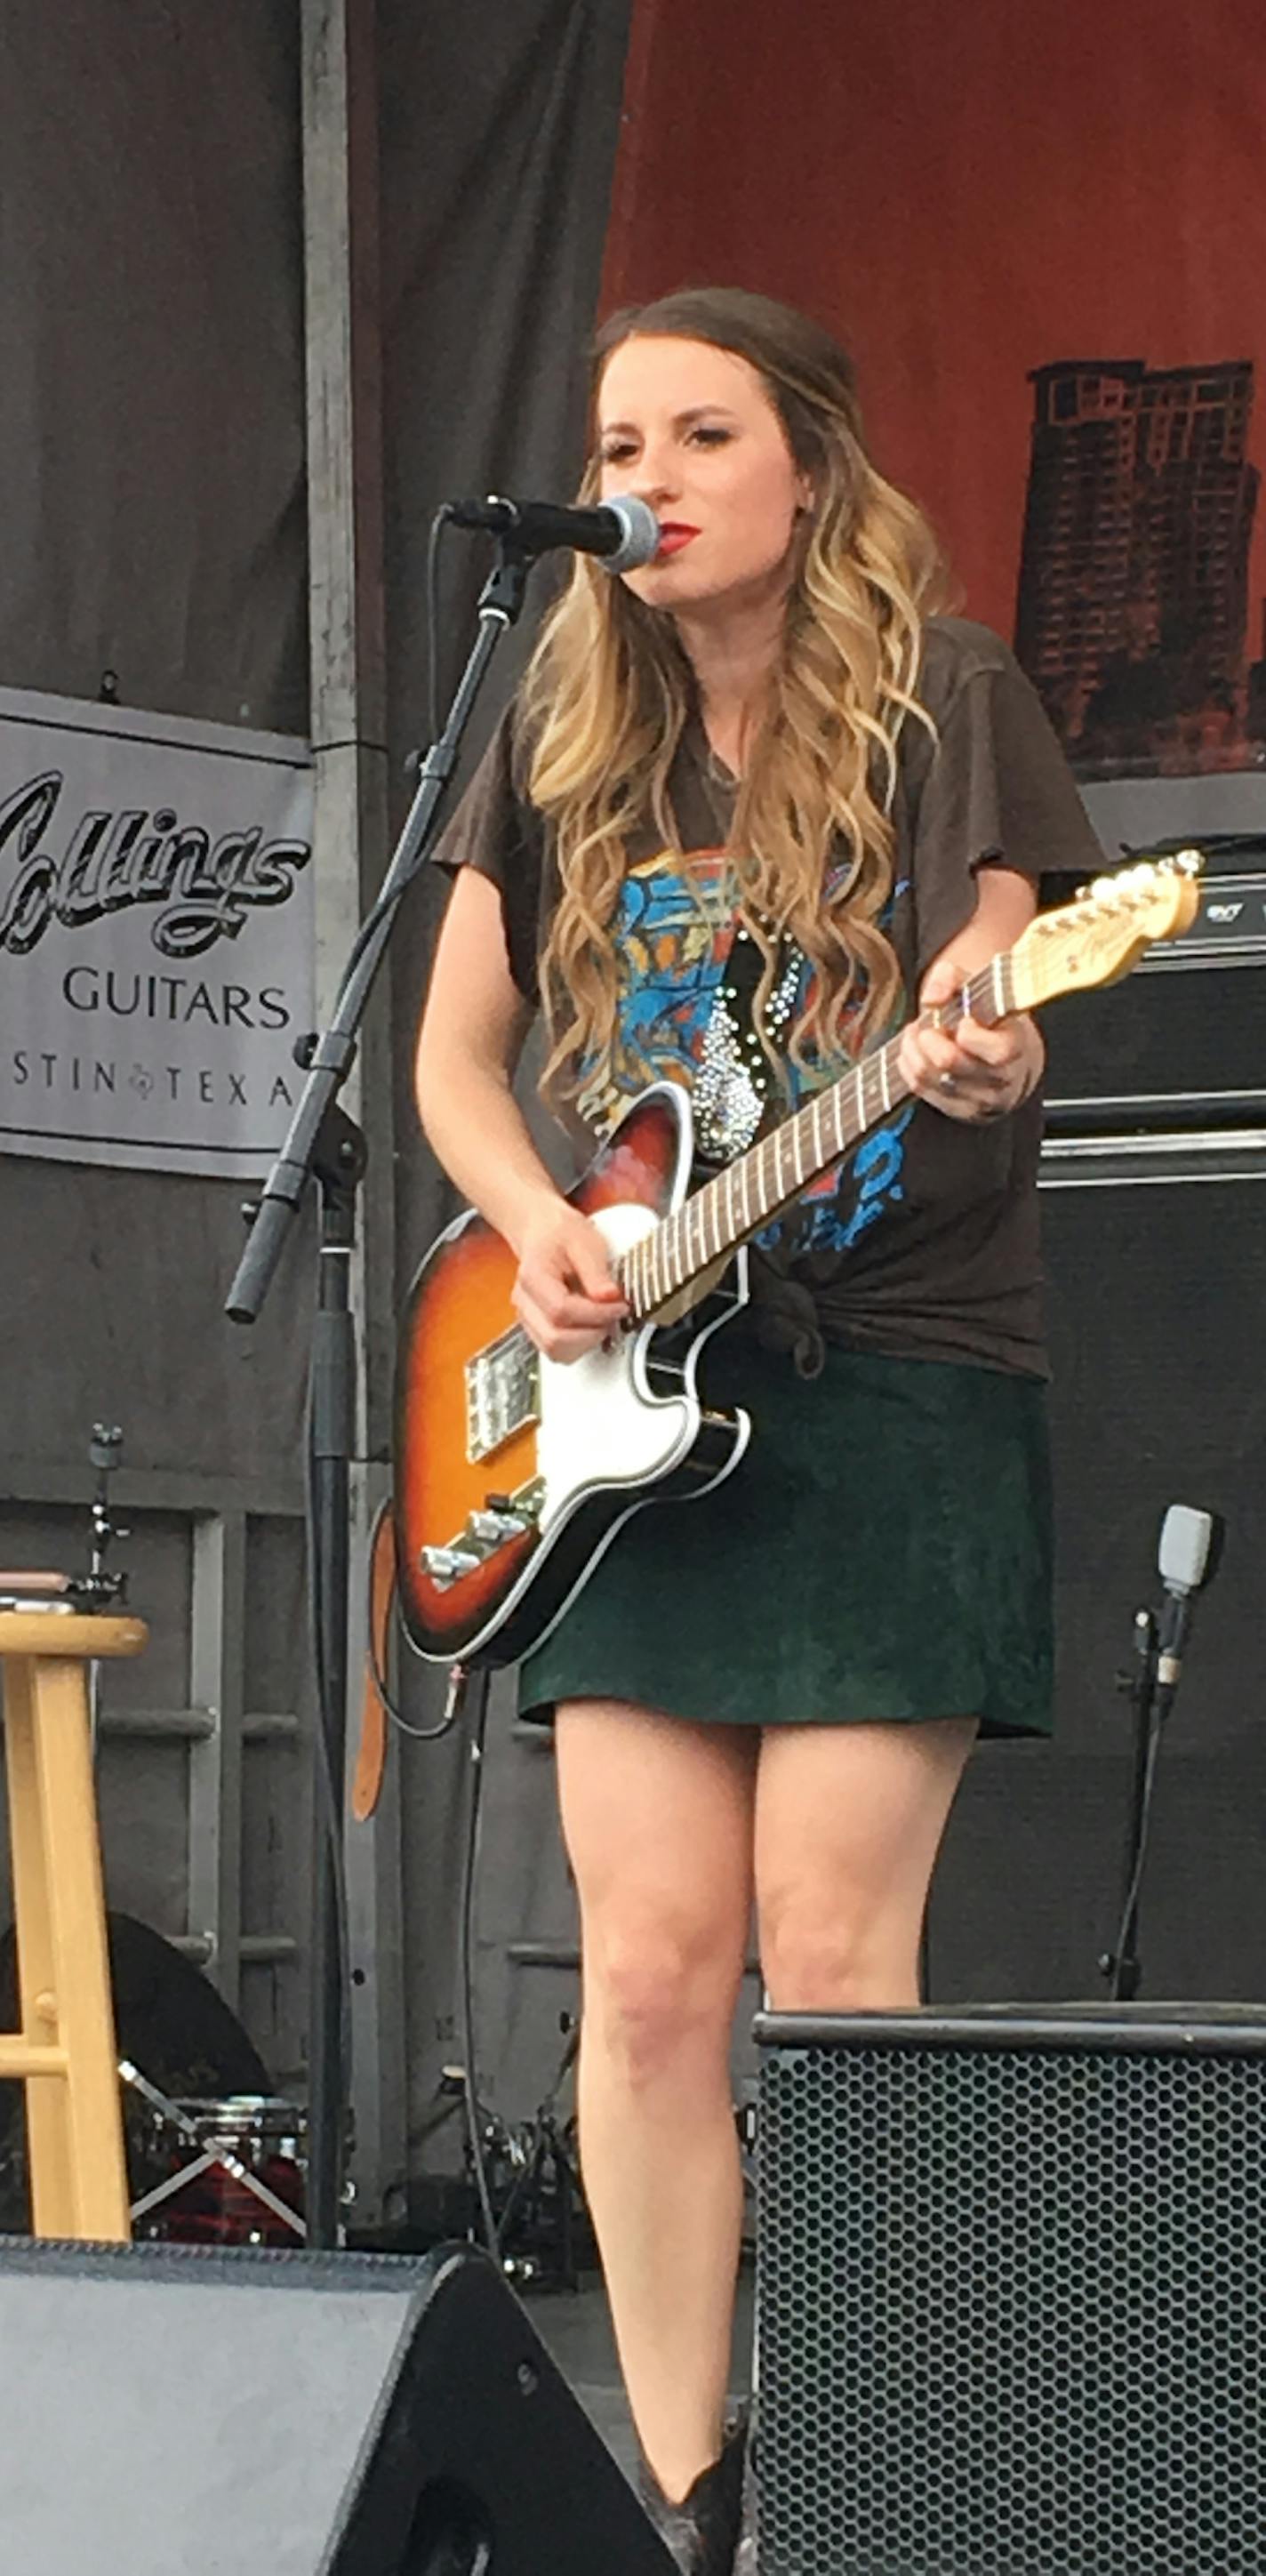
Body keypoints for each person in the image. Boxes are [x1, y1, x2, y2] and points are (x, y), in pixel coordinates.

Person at [415, 286, 1104, 2575]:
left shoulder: (946, 692)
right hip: (626, 1405)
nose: (652, 474)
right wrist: (536, 1230)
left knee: (829, 1960)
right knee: (642, 1972)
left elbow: (994, 955)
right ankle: (693, 2495)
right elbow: (450, 1061)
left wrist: (976, 1026)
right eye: (621, 435)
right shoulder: (558, 718)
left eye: (703, 432)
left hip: (887, 1371)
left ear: (810, 464)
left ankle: (875, 2488)